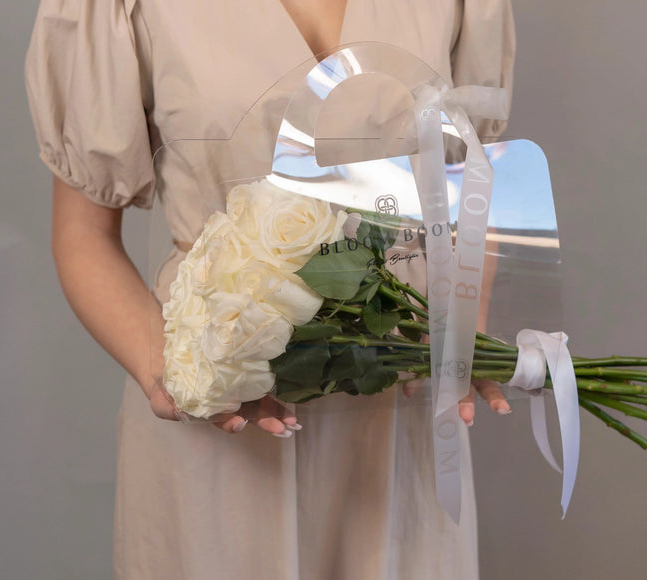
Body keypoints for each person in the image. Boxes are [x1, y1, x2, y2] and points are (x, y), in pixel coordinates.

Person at [26, 0, 515, 578]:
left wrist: (466, 323)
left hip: (400, 395)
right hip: (226, 408)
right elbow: (84, 238)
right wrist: (178, 373)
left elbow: (478, 175)